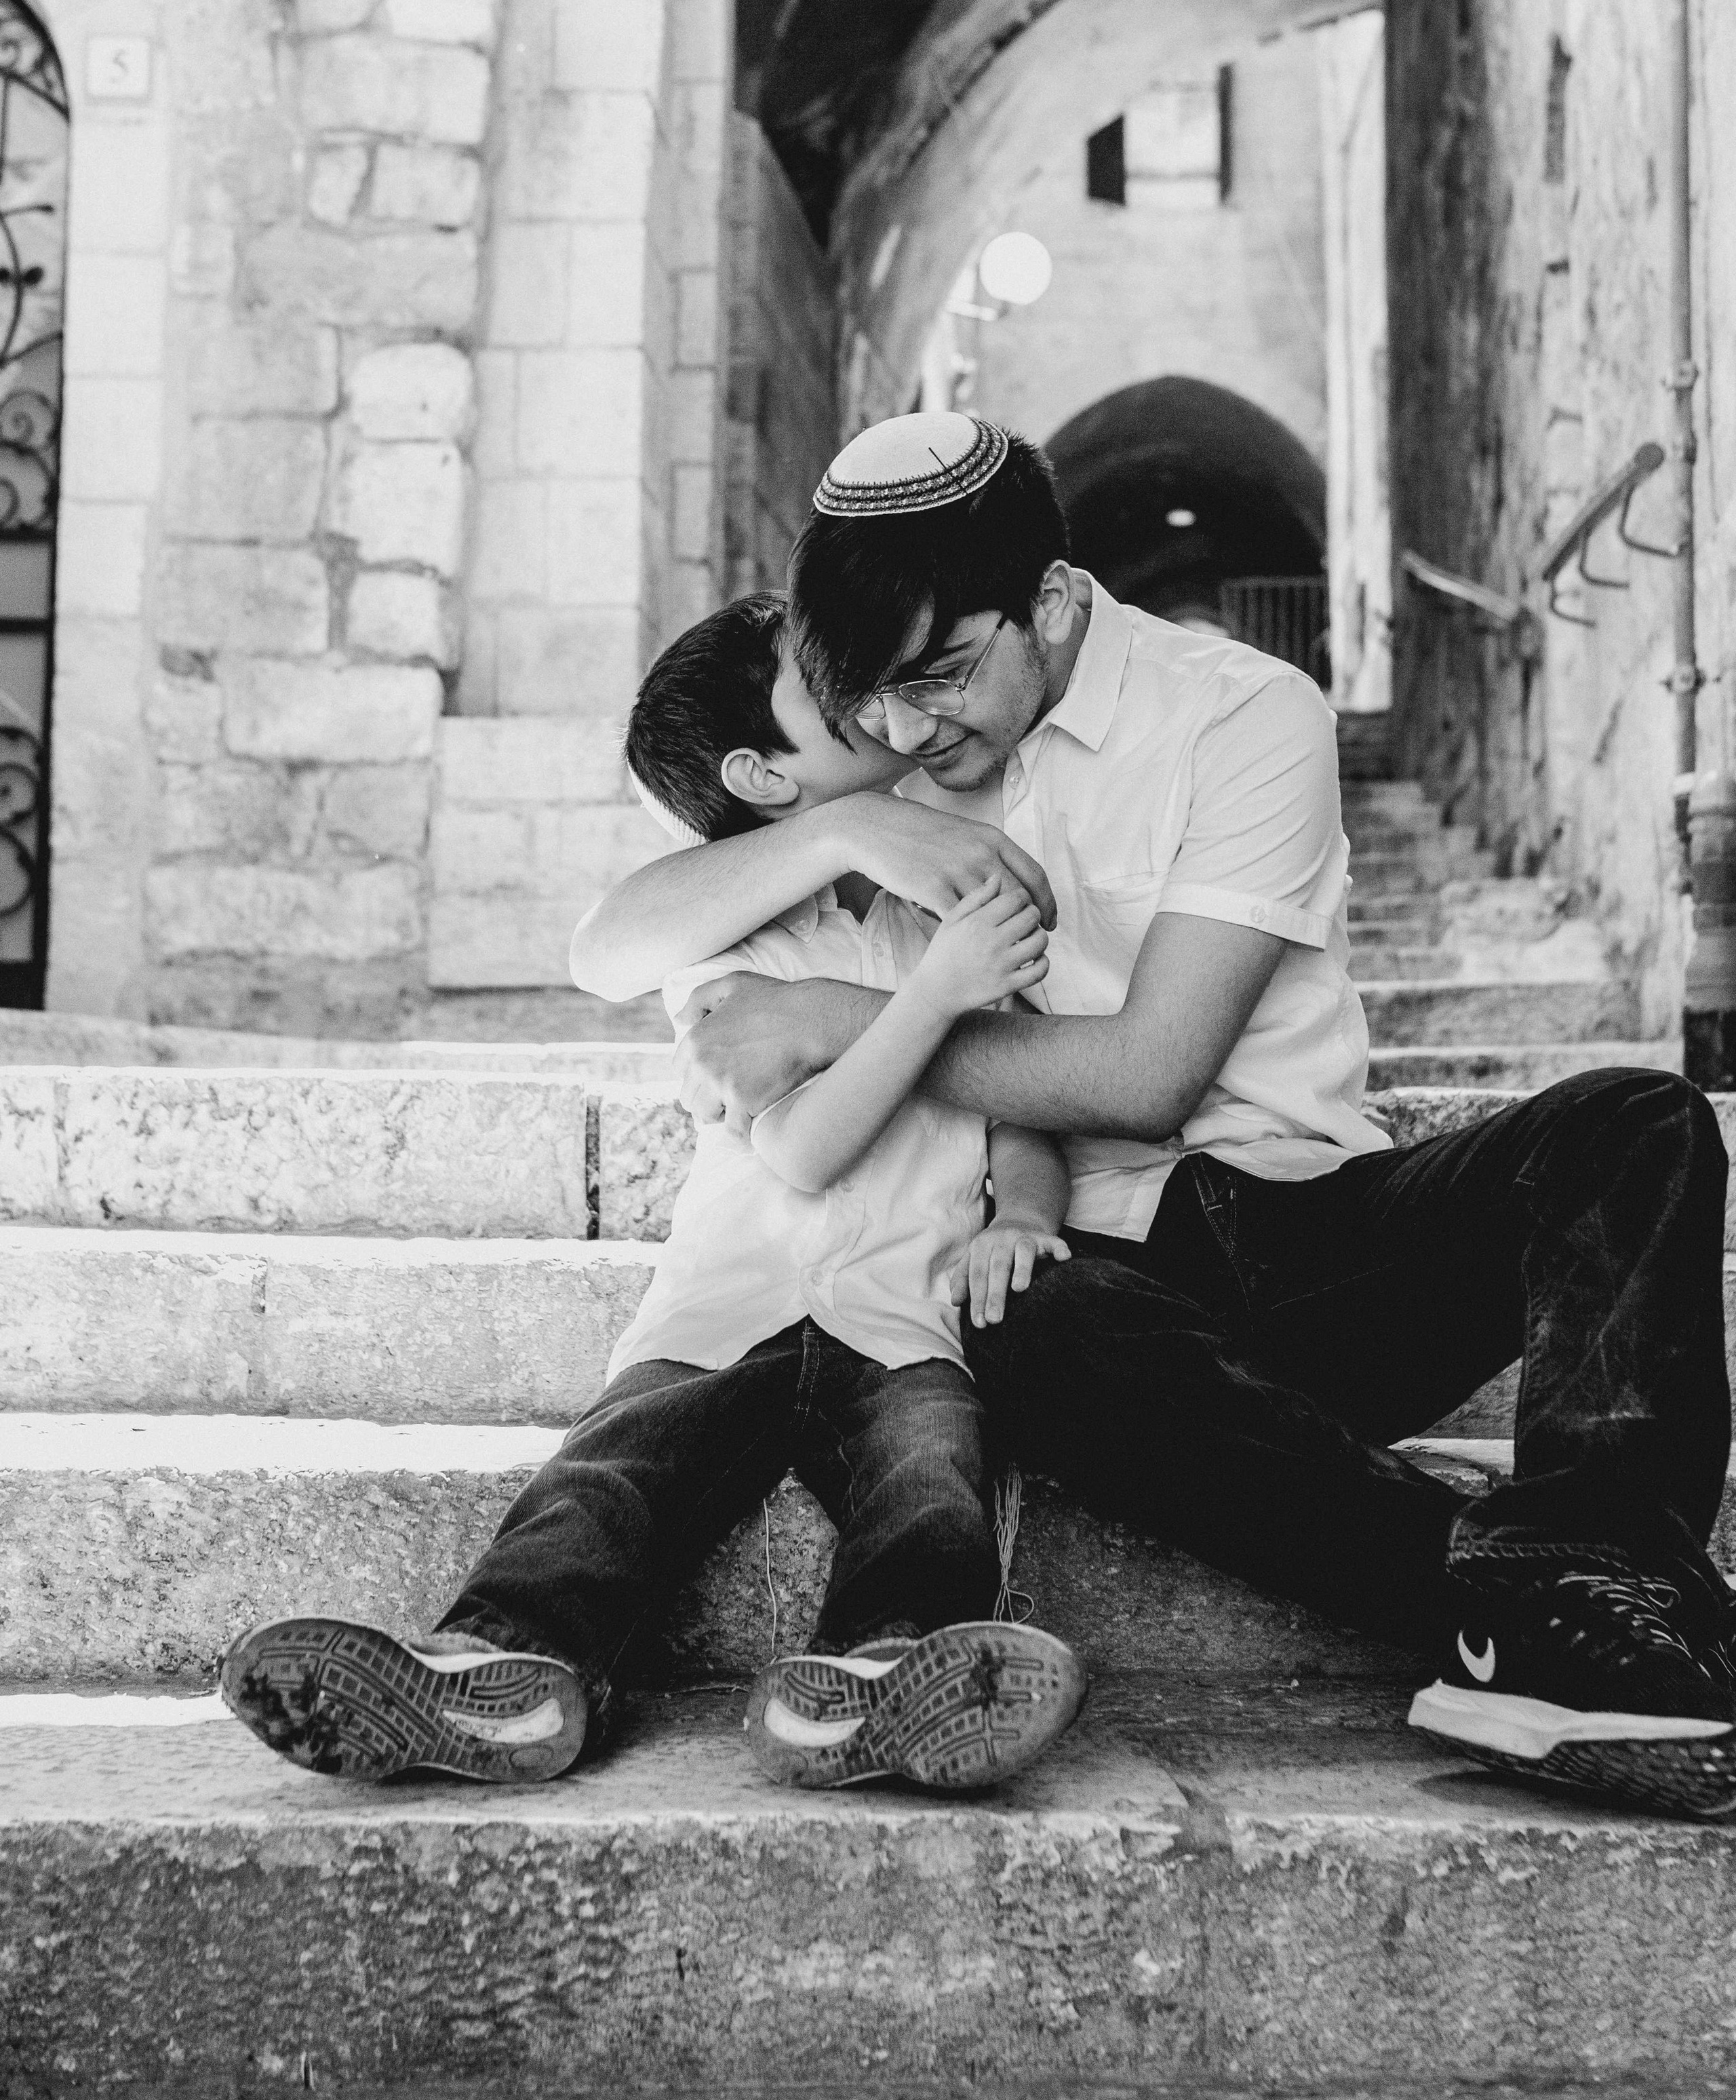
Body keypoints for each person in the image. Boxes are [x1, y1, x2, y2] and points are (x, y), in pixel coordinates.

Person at [572, 411, 1735, 1821]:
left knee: (1638, 1126)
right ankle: (1535, 1615)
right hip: (1092, 1280)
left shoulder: (1241, 712)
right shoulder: (890, 765)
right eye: (869, 699)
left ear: (1052, 606)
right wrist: (833, 831)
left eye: (940, 678)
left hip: (1310, 1237)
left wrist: (841, 1025)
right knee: (1022, 1324)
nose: (905, 729)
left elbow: (1148, 1077)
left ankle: (1584, 1573)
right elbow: (611, 945)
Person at [222, 591, 1086, 1793]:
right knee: (605, 1482)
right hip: (720, 1310)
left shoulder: (949, 907)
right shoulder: (735, 942)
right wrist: (934, 993)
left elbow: (1026, 1100)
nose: (855, 667)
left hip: (908, 1307)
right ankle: (499, 1668)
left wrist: (1033, 1213)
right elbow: (802, 1149)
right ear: (764, 777)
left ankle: (895, 1676)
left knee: (932, 1478)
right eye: (813, 671)